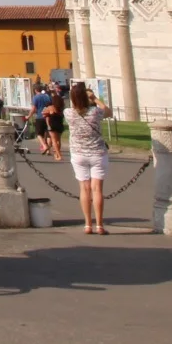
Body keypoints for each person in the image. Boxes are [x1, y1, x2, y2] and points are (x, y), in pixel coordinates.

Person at [64, 83, 110, 234]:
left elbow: (74, 107)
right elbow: (108, 111)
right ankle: (100, 225)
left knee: (84, 188)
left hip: (78, 153)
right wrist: (94, 98)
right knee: (97, 189)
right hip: (97, 153)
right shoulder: (95, 112)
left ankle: (88, 224)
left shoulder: (68, 113)